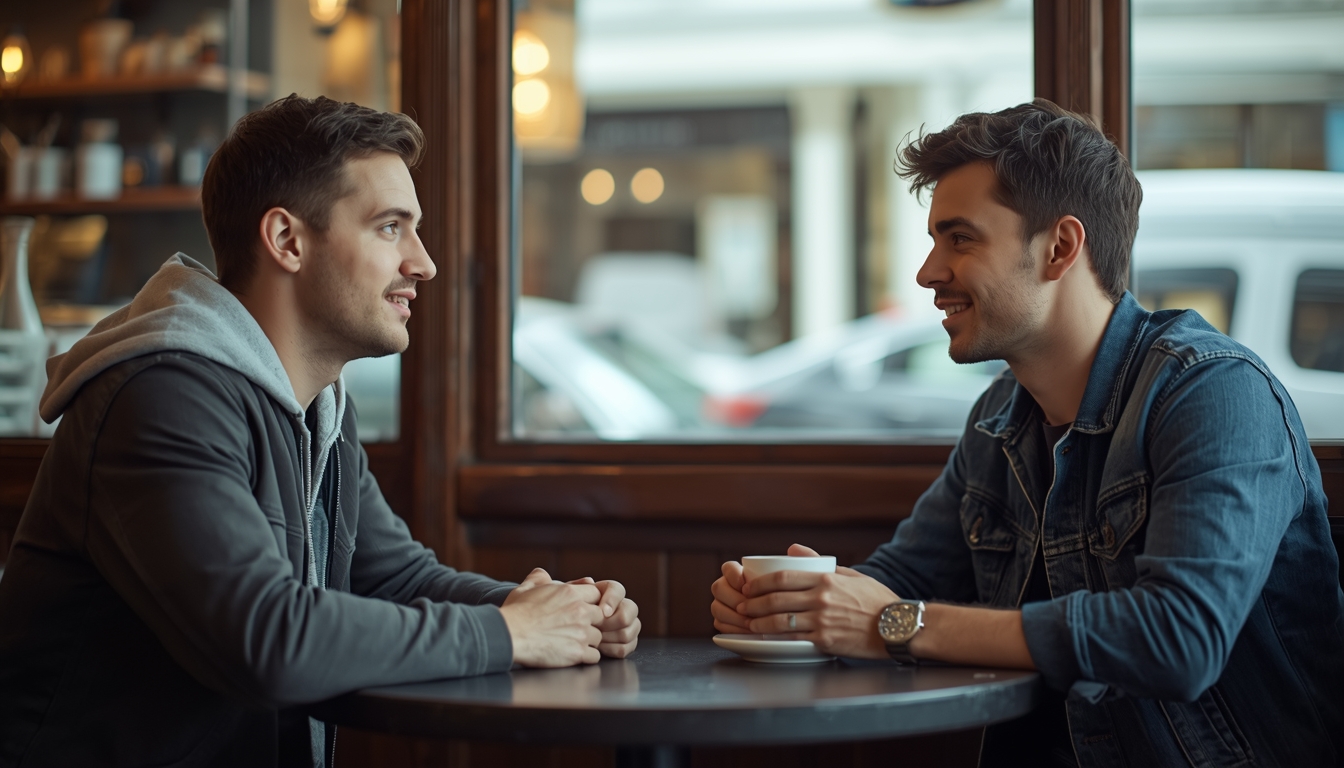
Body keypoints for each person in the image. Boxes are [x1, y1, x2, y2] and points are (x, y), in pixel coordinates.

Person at [0, 95, 640, 768]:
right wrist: (508, 632)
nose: (424, 263)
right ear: (287, 241)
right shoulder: (159, 397)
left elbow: (389, 577)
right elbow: (265, 641)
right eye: (391, 228)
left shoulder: (318, 403)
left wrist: (557, 611)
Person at [711, 99, 1343, 767]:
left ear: (1061, 247)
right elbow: (902, 578)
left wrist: (890, 625)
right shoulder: (1001, 416)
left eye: (960, 238)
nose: (927, 272)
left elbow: (1177, 640)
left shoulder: (1213, 391)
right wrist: (796, 606)